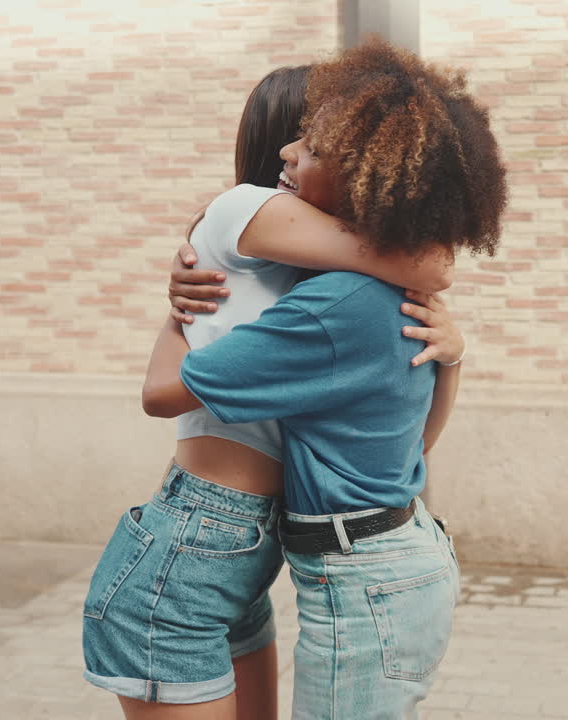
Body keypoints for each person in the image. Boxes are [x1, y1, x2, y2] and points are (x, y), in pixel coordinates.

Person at [82, 63, 462, 720]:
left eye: (320, 142)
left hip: (242, 549)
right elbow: (434, 263)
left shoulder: (321, 281)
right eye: (308, 133)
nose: (297, 153)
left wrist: (452, 351)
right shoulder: (243, 209)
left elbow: (409, 439)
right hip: (194, 532)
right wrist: (177, 315)